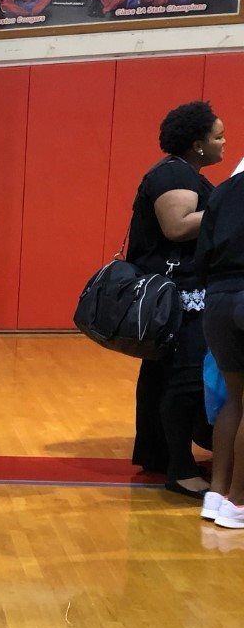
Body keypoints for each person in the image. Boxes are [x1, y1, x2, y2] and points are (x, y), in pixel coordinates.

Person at [127, 100, 226, 498]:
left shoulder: (180, 172)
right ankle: (181, 470)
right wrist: (227, 208)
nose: (224, 142)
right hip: (180, 296)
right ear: (197, 144)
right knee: (184, 379)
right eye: (218, 136)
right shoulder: (174, 174)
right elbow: (177, 226)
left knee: (162, 376)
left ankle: (160, 455)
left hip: (178, 293)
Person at [198, 169, 244, 525]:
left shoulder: (223, 190)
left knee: (233, 400)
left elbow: (202, 254)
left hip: (217, 299)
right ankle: (239, 504)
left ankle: (216, 495)